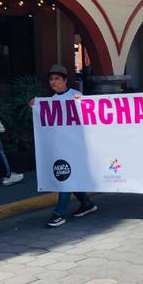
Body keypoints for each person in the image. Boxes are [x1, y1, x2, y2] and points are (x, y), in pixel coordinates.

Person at [35, 65, 98, 228]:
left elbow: (89, 117)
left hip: (76, 147)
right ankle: (87, 203)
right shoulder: (52, 101)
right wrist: (35, 106)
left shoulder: (76, 96)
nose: (53, 82)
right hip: (61, 148)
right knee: (69, 177)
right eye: (51, 79)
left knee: (65, 178)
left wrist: (82, 102)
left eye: (57, 79)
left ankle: (59, 213)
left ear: (65, 80)